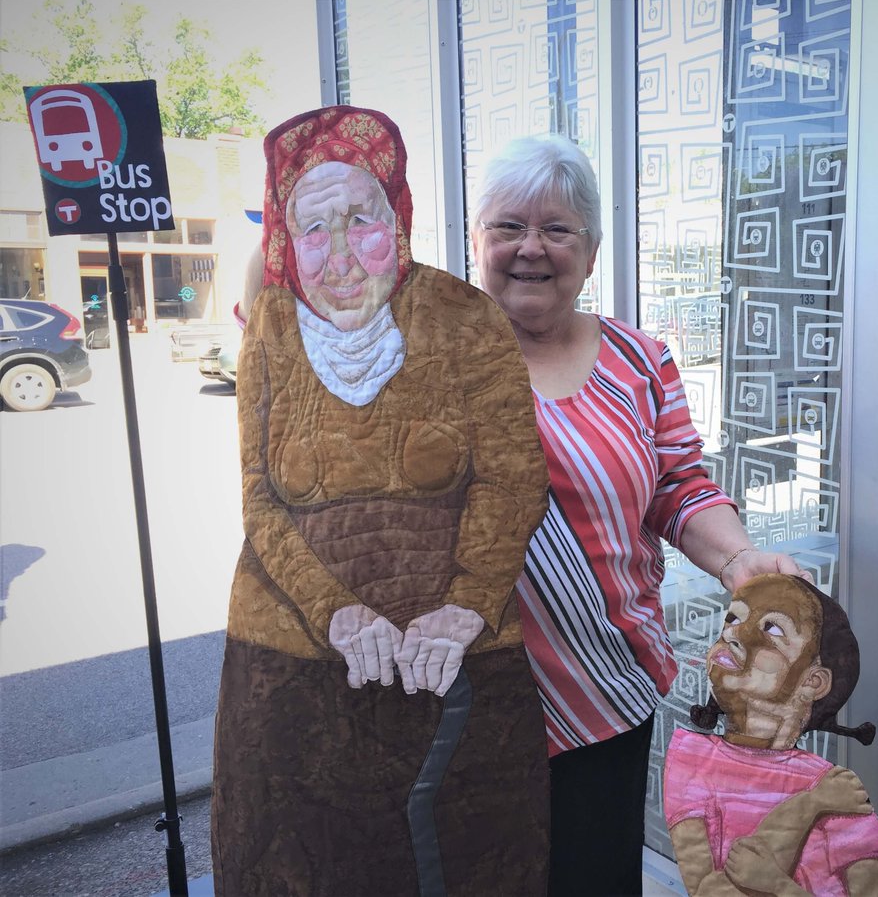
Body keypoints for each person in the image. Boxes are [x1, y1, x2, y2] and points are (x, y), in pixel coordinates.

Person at [211, 106, 552, 896]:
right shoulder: (269, 328)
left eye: (358, 219)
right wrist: (337, 612)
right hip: (289, 670)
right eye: (312, 227)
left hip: (455, 664)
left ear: (396, 217)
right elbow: (260, 501)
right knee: (304, 863)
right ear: (287, 240)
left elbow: (512, 478)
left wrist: (465, 608)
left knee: (469, 857)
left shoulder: (466, 318)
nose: (337, 255)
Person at [469, 133, 806, 896]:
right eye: (509, 227)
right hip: (473, 694)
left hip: (604, 684)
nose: (531, 248)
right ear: (477, 242)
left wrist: (736, 558)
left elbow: (678, 486)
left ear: (590, 253)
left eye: (557, 230)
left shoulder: (638, 361)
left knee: (593, 877)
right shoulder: (434, 360)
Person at [664, 574, 878, 897]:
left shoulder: (835, 787)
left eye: (772, 629)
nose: (733, 632)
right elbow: (706, 889)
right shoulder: (694, 763)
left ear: (813, 681)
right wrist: (810, 805)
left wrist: (778, 886)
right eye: (733, 617)